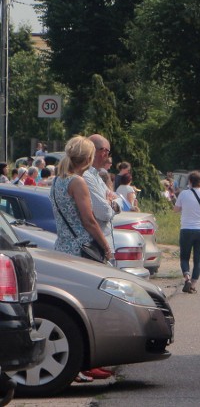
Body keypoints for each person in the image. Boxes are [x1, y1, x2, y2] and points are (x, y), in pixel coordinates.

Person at [50, 135, 116, 382]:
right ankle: (85, 363)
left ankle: (76, 365)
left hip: (63, 247)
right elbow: (89, 220)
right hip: (82, 250)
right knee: (89, 307)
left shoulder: (58, 180)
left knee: (71, 311)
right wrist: (105, 245)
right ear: (88, 157)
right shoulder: (78, 182)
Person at [174, 171, 200, 293]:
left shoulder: (184, 194)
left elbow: (176, 209)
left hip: (186, 228)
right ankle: (193, 285)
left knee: (184, 257)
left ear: (189, 181)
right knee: (198, 259)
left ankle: (187, 277)